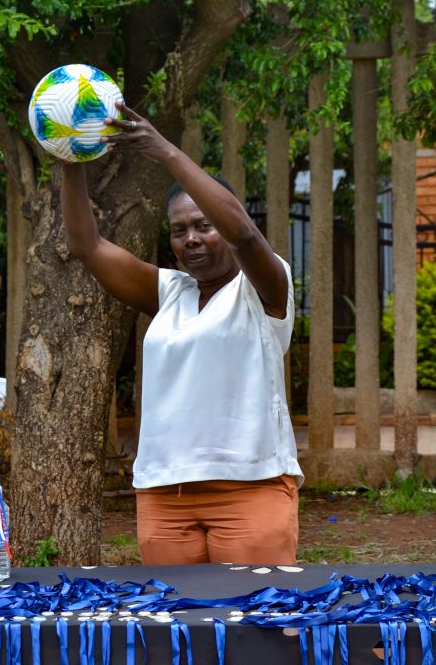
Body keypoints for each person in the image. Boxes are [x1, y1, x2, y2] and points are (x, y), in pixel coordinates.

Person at [62, 102, 303, 565]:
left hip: (250, 488)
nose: (190, 238)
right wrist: (71, 157)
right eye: (178, 230)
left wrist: (166, 152)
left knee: (254, 613)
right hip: (164, 495)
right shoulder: (170, 292)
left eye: (204, 226)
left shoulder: (265, 288)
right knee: (174, 614)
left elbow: (245, 237)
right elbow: (87, 246)